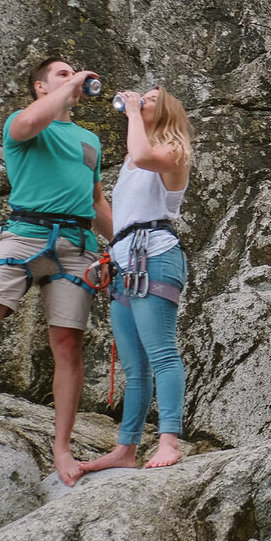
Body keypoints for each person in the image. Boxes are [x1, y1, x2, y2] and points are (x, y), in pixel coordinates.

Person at [0, 59, 112, 487]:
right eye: (62, 74)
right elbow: (31, 122)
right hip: (24, 232)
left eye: (75, 74)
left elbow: (97, 200)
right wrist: (68, 91)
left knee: (67, 343)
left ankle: (61, 446)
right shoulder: (24, 120)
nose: (73, 79)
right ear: (39, 86)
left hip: (76, 242)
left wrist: (124, 243)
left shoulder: (90, 139)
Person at [80, 87, 193, 472]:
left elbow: (146, 154)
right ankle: (125, 448)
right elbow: (119, 219)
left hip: (156, 256)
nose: (140, 99)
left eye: (149, 97)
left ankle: (169, 440)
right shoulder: (132, 159)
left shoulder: (173, 149)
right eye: (139, 96)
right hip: (127, 259)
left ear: (165, 111)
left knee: (161, 352)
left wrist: (131, 112)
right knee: (134, 366)